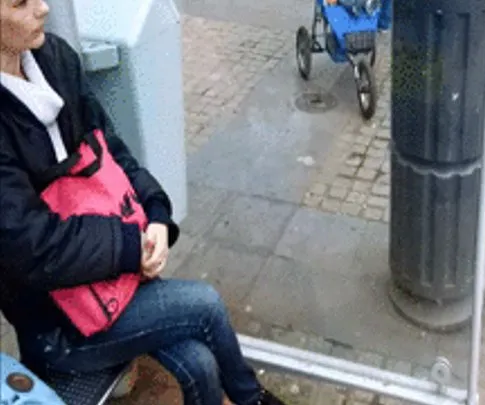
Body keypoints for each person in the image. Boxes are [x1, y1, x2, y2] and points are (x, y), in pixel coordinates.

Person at [0, 1, 286, 404]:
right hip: (59, 325)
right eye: (20, 2)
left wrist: (154, 211)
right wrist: (131, 247)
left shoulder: (55, 58)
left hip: (110, 278)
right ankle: (252, 399)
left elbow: (111, 150)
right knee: (205, 305)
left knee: (200, 361)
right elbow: (29, 244)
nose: (43, 8)